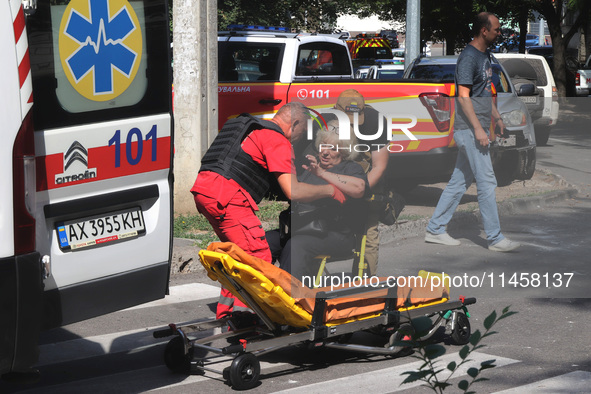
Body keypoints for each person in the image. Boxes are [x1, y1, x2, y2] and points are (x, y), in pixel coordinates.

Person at [192, 103, 345, 319]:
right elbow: (293, 191)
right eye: (304, 131)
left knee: (237, 255)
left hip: (205, 190)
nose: (302, 138)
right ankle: (248, 321)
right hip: (228, 197)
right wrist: (329, 190)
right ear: (295, 123)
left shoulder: (250, 127)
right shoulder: (277, 140)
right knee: (256, 258)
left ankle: (227, 313)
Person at [425, 12, 520, 253]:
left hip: (476, 128)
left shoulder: (485, 55)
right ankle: (495, 238)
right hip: (469, 130)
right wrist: (478, 129)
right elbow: (463, 96)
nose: (500, 32)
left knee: (459, 182)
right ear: (483, 30)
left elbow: (483, 92)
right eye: (496, 29)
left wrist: (496, 118)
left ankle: (435, 229)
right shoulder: (469, 58)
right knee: (487, 181)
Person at [268, 121, 368, 282]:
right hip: (299, 227)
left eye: (333, 148)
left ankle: (289, 295)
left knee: (296, 246)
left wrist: (322, 174)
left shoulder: (350, 168)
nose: (326, 152)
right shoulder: (307, 165)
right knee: (263, 242)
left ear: (343, 151)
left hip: (334, 233)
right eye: (323, 146)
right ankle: (254, 291)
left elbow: (359, 188)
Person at [334, 89, 390, 276]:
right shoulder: (329, 121)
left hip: (368, 179)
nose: (353, 125)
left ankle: (365, 282)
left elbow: (379, 166)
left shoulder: (375, 121)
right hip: (340, 175)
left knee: (369, 231)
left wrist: (360, 190)